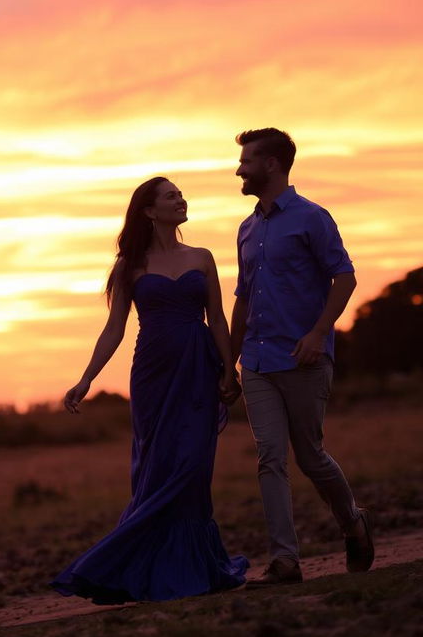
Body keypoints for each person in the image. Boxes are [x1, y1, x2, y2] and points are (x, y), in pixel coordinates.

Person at [51, 176, 248, 603]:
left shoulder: (202, 257)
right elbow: (114, 329)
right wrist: (86, 379)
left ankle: (195, 563)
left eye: (181, 194)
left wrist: (228, 370)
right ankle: (136, 566)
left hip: (198, 368)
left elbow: (216, 317)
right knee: (157, 470)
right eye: (171, 196)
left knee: (193, 467)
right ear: (149, 211)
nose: (181, 200)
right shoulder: (130, 266)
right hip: (153, 376)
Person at [230, 128, 374, 587]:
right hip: (256, 360)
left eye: (247, 160)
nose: (239, 169)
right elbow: (242, 299)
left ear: (272, 164)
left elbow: (345, 278)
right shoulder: (246, 229)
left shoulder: (313, 218)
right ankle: (285, 562)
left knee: (310, 456)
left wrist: (318, 333)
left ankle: (352, 520)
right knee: (270, 457)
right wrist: (227, 362)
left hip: (304, 358)